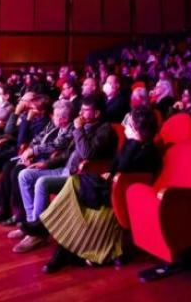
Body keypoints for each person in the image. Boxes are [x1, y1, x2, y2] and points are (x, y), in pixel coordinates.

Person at [39, 105, 162, 273]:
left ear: (138, 129)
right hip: (110, 188)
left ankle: (45, 231)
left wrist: (133, 142)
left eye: (130, 124)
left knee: (76, 182)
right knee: (75, 182)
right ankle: (59, 248)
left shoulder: (147, 149)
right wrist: (111, 173)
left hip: (120, 196)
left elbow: (124, 171)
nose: (126, 126)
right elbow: (115, 166)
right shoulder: (133, 144)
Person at [12, 95, 117, 253]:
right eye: (80, 109)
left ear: (96, 114)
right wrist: (46, 164)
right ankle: (32, 224)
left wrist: (79, 129)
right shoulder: (83, 126)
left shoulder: (105, 130)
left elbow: (87, 153)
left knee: (42, 183)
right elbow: (67, 155)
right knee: (25, 174)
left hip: (78, 176)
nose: (80, 113)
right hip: (64, 169)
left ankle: (38, 234)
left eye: (85, 110)